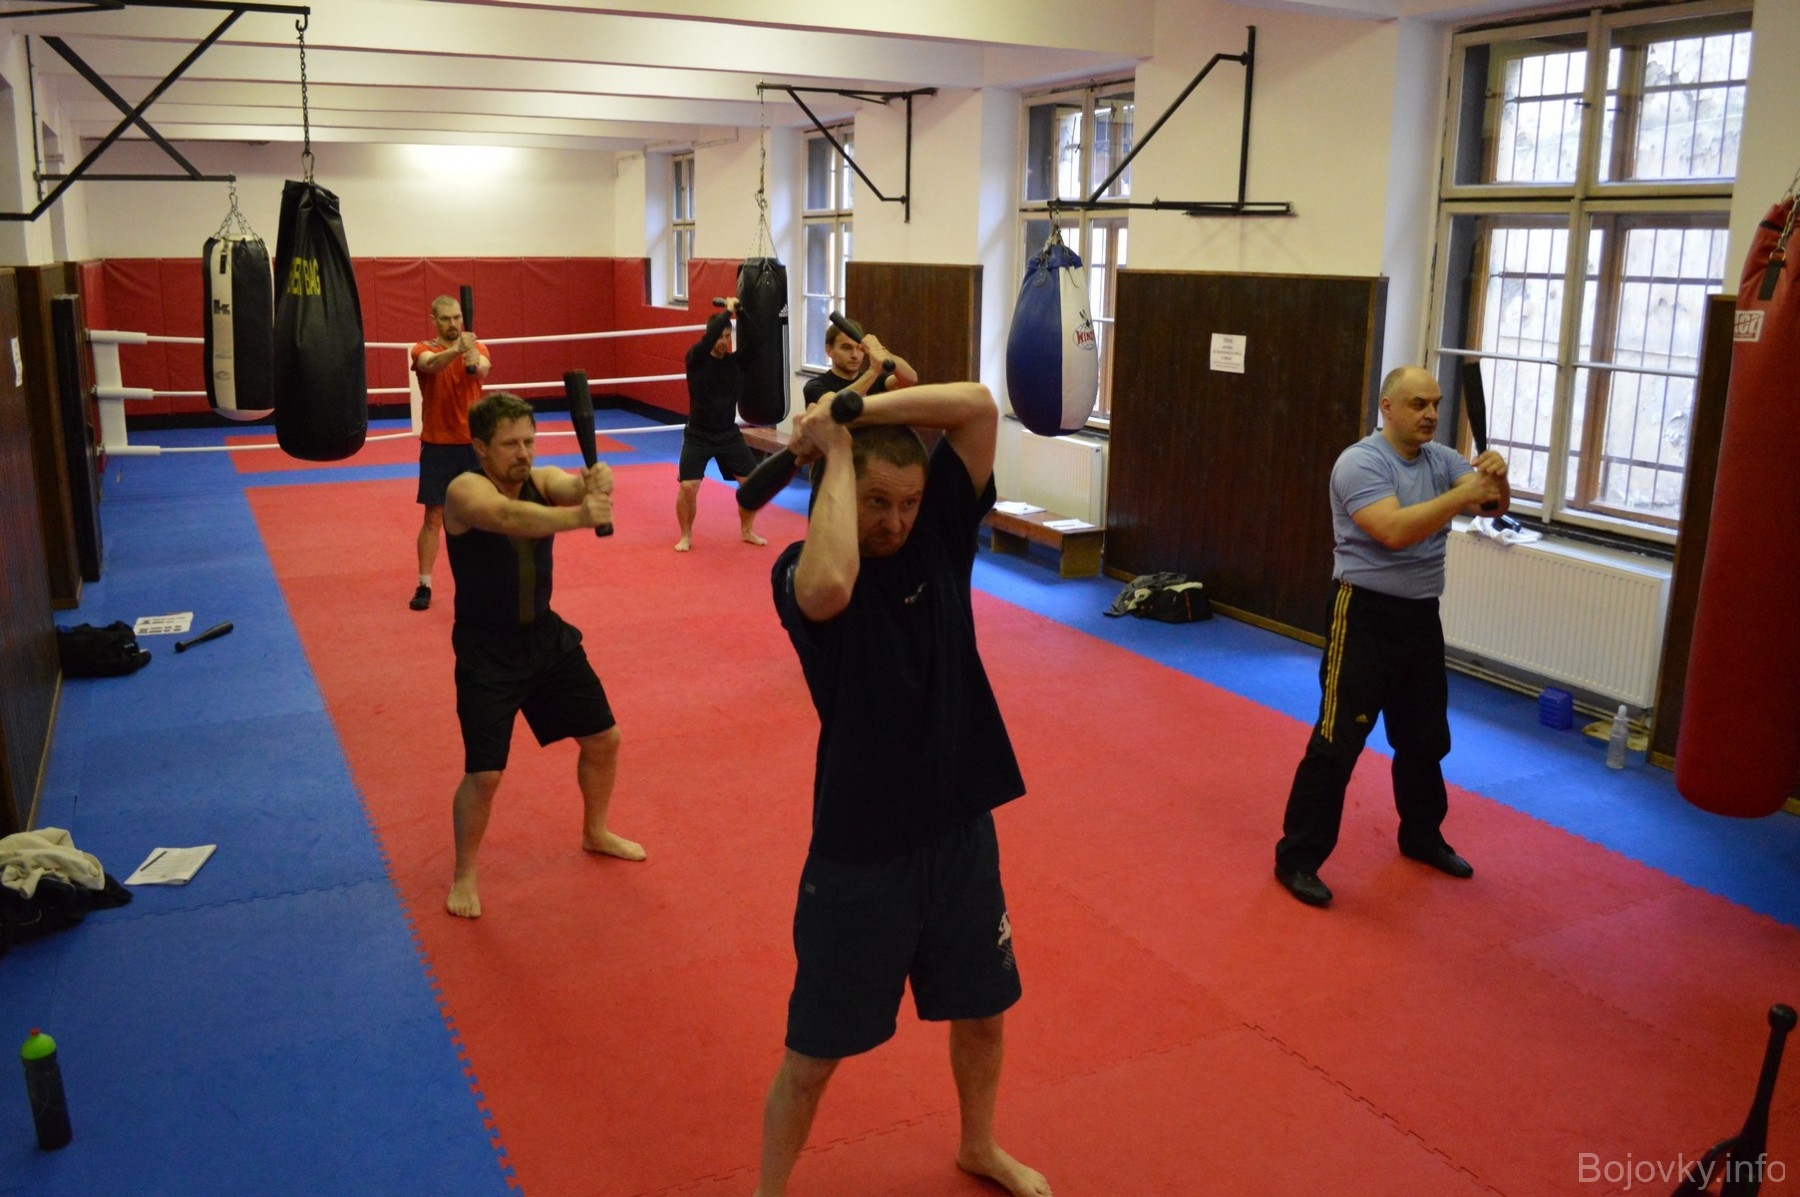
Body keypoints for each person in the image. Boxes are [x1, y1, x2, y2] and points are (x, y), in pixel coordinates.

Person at [755, 382, 1050, 1197]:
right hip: (862, 850)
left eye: (909, 502)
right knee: (813, 1058)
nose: (895, 521)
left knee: (983, 1012)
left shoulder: (939, 532)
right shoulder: (800, 569)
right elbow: (830, 588)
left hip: (959, 828)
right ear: (839, 492)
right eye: (877, 503)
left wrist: (852, 414)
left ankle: (978, 1144)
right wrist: (837, 450)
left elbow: (978, 406)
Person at [1273, 365, 1510, 908]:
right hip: (1364, 615)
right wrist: (1463, 496)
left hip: (1421, 617)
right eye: (1418, 404)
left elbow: (1492, 507)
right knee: (1337, 743)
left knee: (1425, 739)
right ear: (1387, 407)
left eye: (1436, 404)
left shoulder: (1442, 459)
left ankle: (1422, 836)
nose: (1431, 414)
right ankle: (1297, 859)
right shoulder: (1361, 462)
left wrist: (1496, 478)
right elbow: (1394, 531)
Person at [441, 392, 643, 919]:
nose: (523, 453)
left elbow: (568, 486)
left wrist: (595, 482)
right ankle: (464, 874)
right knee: (485, 775)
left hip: (546, 639)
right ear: (480, 447)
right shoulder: (464, 490)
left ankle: (595, 831)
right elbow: (509, 516)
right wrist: (581, 515)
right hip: (486, 651)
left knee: (604, 740)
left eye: (529, 441)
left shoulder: (542, 476)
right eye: (510, 444)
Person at [410, 295, 491, 610]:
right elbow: (429, 365)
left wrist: (471, 354)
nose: (453, 323)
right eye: (446, 318)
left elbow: (482, 370)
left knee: (479, 515)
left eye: (457, 317)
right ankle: (424, 584)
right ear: (434, 320)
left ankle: (481, 582)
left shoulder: (476, 347)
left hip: (473, 445)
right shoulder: (423, 348)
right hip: (437, 445)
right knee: (433, 517)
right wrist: (458, 350)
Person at [676, 298, 767, 552]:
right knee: (688, 486)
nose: (723, 341)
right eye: (719, 336)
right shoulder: (696, 359)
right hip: (698, 435)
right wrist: (727, 312)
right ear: (709, 335)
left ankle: (747, 531)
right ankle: (685, 535)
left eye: (727, 336)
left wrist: (742, 312)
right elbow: (708, 340)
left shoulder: (735, 363)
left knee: (752, 484)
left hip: (728, 435)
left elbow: (757, 341)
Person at [800, 318, 916, 409]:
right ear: (829, 350)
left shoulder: (877, 380)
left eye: (859, 348)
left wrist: (881, 350)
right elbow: (835, 406)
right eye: (846, 348)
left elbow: (910, 378)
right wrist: (873, 371)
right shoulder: (815, 386)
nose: (855, 355)